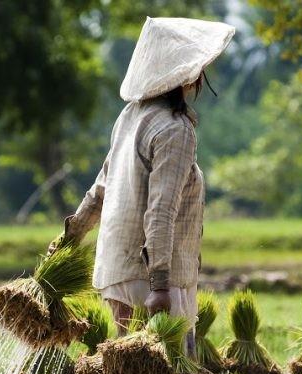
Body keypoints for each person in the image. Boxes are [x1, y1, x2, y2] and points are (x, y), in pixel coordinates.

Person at [49, 17, 235, 356]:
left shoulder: (131, 117)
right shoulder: (175, 130)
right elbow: (161, 210)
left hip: (118, 273)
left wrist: (69, 239)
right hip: (150, 279)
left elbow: (101, 190)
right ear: (184, 73)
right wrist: (160, 286)